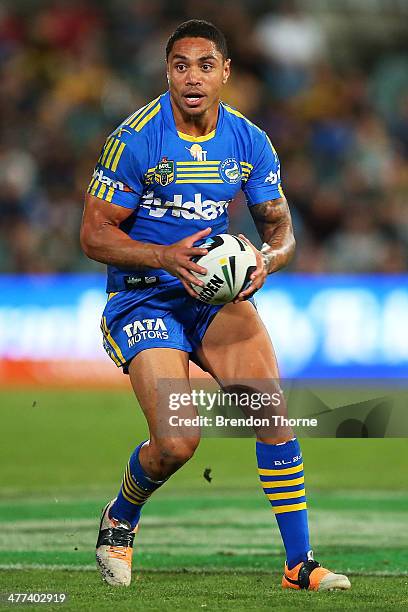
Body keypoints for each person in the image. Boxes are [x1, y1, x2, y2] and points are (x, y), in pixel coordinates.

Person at [80, 19, 350, 593]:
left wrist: (264, 262)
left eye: (206, 65)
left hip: (211, 295)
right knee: (178, 443)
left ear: (226, 72)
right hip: (142, 295)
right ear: (168, 73)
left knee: (272, 412)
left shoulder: (248, 140)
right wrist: (162, 256)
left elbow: (282, 232)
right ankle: (121, 517)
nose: (193, 77)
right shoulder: (136, 139)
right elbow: (94, 235)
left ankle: (298, 565)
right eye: (181, 66)